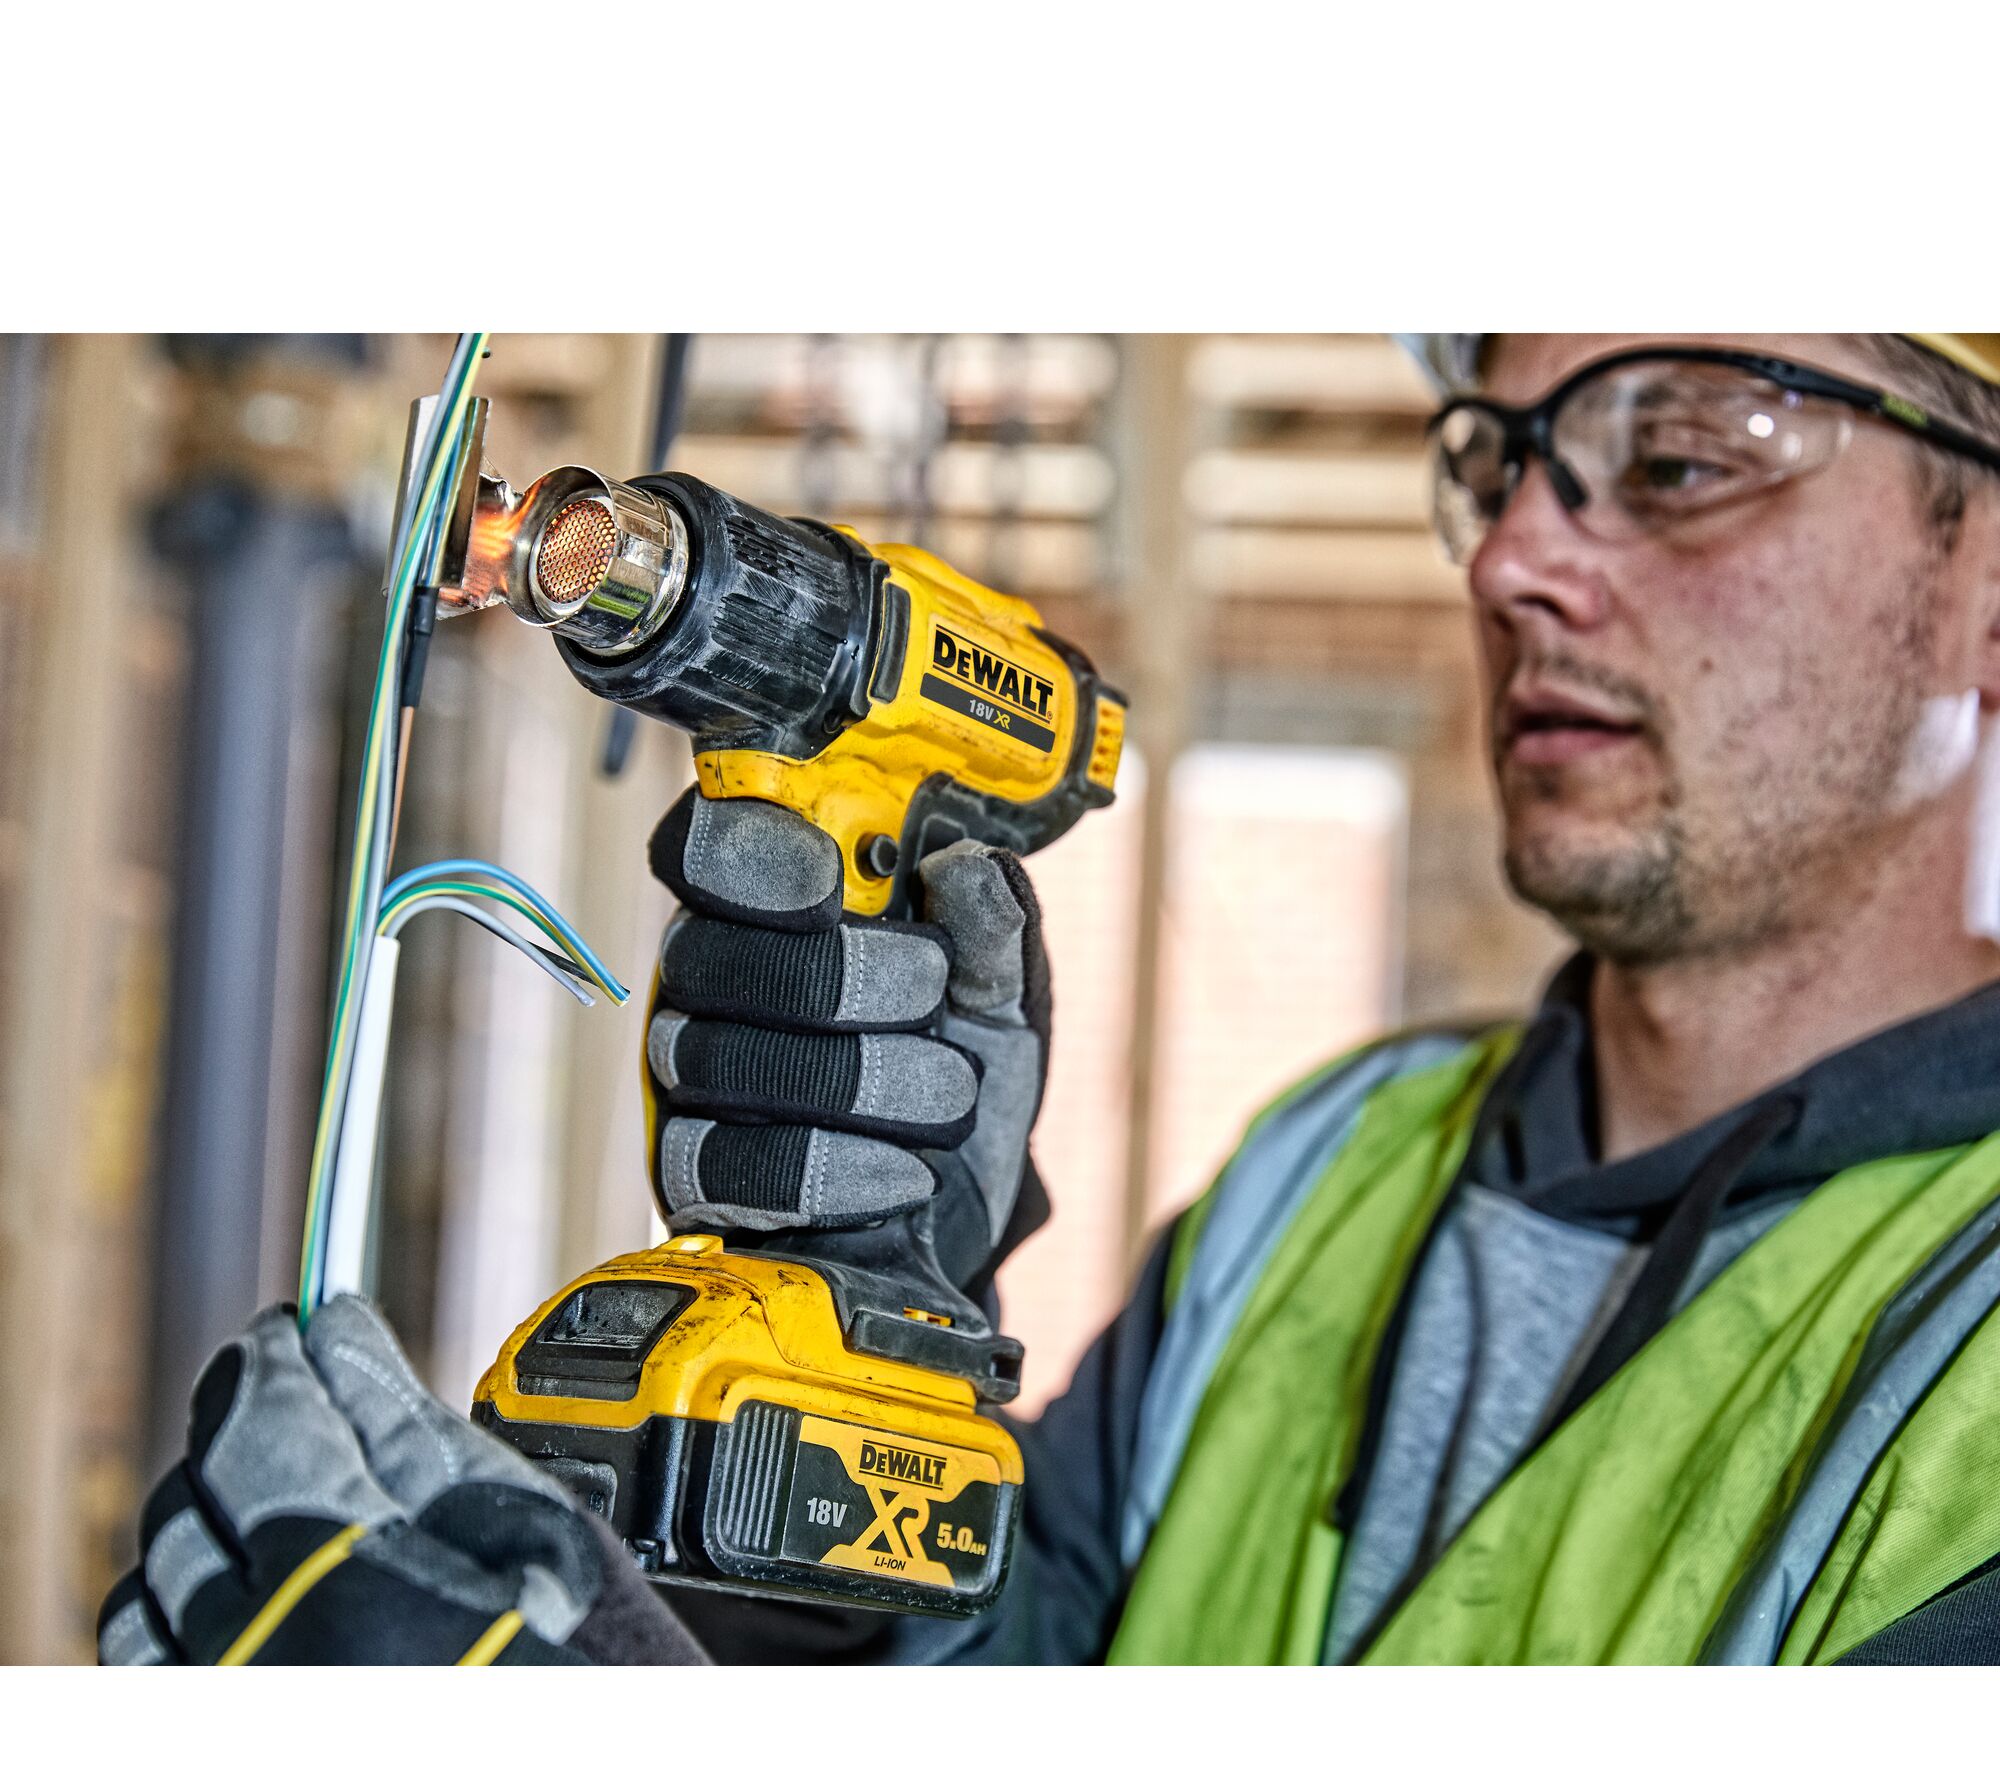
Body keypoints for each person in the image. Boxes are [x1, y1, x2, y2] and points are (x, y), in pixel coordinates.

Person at [104, 332, 2000, 1667]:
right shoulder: (1328, 1168)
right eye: (1493, 464)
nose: (1511, 560)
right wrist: (825, 1503)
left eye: (1675, 461)